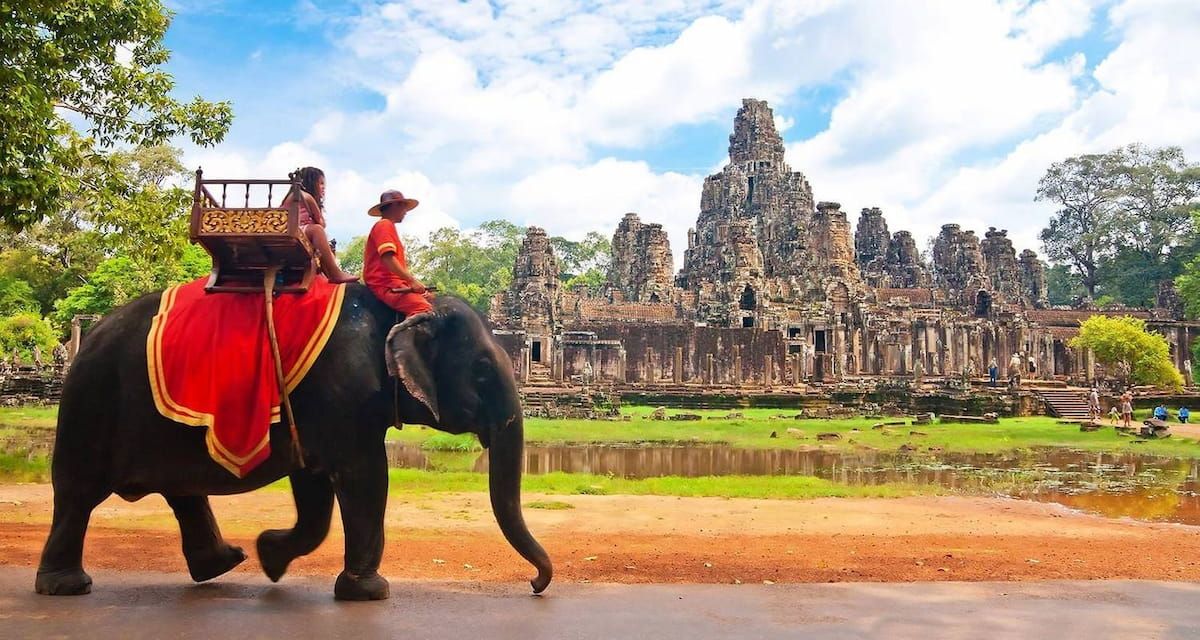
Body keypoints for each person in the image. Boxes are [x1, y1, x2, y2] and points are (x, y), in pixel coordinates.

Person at [363, 189, 434, 329]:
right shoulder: (384, 225)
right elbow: (388, 259)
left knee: (429, 298)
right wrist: (412, 281)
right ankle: (404, 349)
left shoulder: (388, 226)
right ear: (394, 206)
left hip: (394, 283)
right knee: (422, 308)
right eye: (403, 207)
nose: (406, 212)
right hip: (385, 284)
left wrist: (415, 287)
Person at [281, 166, 359, 283]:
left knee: (320, 236)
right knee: (317, 230)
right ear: (310, 183)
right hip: (294, 230)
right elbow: (321, 222)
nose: (323, 188)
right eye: (321, 184)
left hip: (295, 230)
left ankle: (328, 273)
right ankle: (335, 273)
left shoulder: (291, 196)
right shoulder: (306, 197)